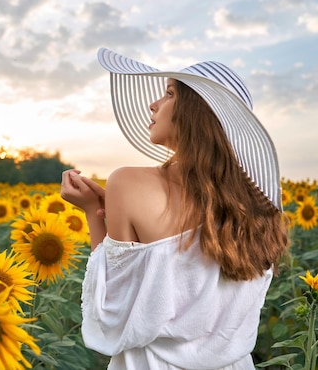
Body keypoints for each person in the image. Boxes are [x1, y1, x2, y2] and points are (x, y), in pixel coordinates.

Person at [60, 48, 289, 370]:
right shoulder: (260, 210)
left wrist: (90, 212)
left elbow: (110, 312)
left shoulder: (127, 183)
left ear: (197, 113)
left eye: (169, 94)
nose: (153, 104)